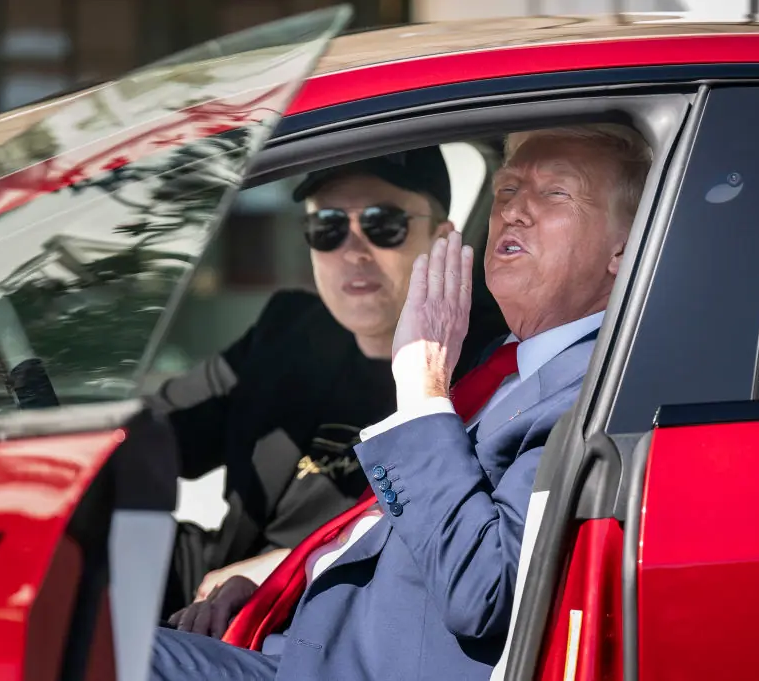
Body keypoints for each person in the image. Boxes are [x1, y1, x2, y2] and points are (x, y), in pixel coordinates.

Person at [150, 123, 653, 681]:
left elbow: (485, 594)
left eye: (555, 192)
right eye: (507, 192)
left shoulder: (594, 389)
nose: (514, 211)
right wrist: (292, 565)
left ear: (624, 248)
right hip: (291, 622)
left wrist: (420, 386)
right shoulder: (500, 361)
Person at [151, 146, 492, 618]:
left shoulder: (485, 362)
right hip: (218, 579)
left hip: (333, 611)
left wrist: (298, 563)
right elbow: (157, 433)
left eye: (382, 223)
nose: (352, 250)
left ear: (441, 240)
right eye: (327, 227)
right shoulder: (289, 327)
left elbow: (463, 544)